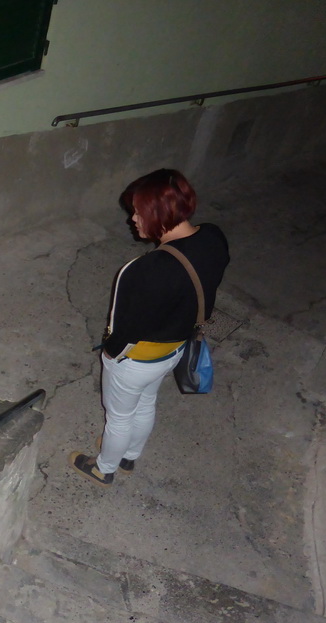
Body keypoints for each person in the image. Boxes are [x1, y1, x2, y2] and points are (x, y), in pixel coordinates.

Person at [69, 168, 230, 485]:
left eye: (138, 212)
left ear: (158, 213)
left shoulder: (145, 270)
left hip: (135, 359)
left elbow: (125, 328)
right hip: (175, 350)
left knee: (119, 416)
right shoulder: (213, 236)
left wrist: (111, 355)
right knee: (146, 402)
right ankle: (130, 455)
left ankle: (105, 468)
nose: (133, 220)